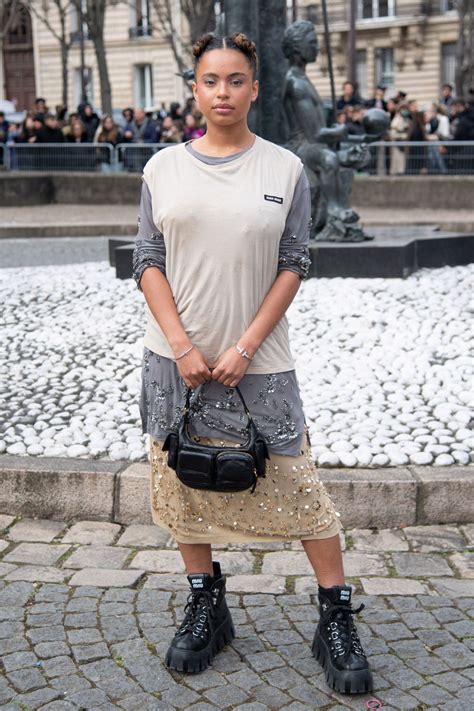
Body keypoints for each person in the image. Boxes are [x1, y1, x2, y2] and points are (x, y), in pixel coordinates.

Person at [132, 30, 372, 695]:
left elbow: (296, 261)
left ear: (255, 89)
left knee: (300, 486)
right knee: (182, 482)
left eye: (236, 80)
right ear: (195, 89)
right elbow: (147, 261)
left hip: (258, 362)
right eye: (211, 81)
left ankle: (334, 613)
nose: (223, 93)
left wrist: (241, 347)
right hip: (173, 361)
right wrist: (183, 345)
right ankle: (207, 600)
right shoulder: (162, 169)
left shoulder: (284, 169)